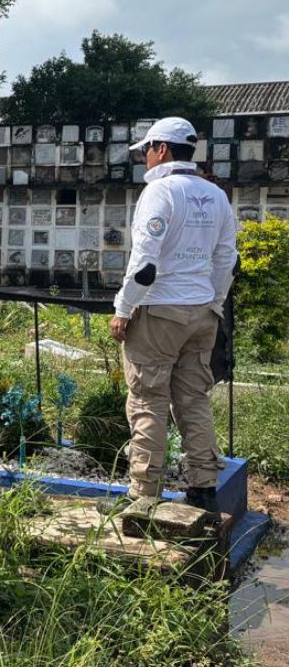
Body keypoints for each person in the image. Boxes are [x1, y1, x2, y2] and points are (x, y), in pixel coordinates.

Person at [107, 116, 238, 514]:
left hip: (160, 311)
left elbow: (145, 263)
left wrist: (123, 309)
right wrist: (212, 302)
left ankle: (143, 496)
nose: (145, 158)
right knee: (192, 399)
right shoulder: (215, 195)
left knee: (148, 399)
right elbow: (227, 259)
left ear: (161, 149)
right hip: (202, 313)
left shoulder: (160, 192)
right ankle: (203, 486)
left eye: (146, 150)